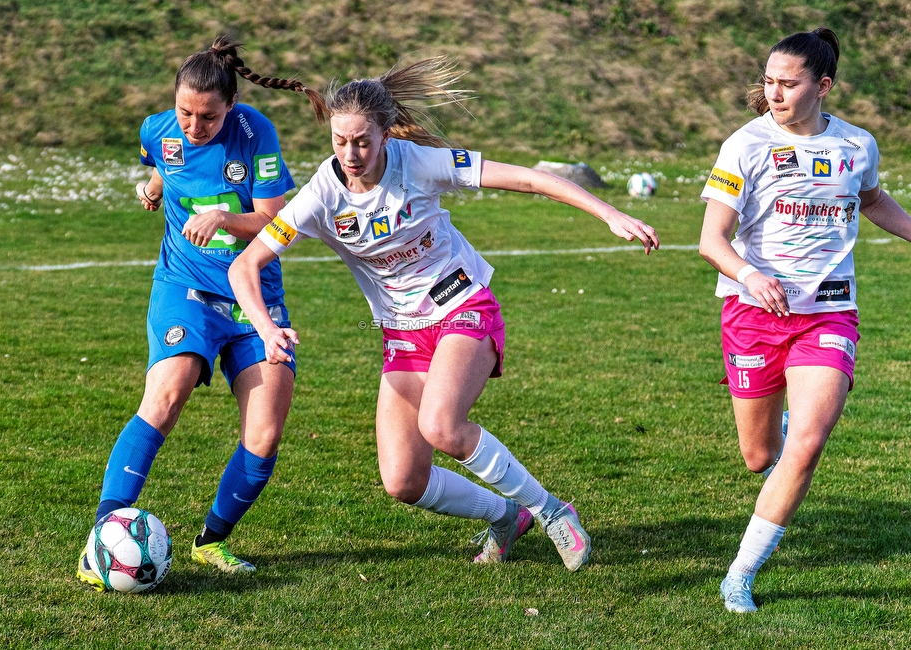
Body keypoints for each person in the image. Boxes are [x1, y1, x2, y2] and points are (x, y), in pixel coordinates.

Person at [229, 58, 660, 570]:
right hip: (402, 332)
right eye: (340, 141)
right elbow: (245, 265)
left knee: (441, 426)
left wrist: (610, 213)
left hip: (462, 305)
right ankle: (506, 516)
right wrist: (266, 327)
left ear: (385, 133)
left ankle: (550, 510)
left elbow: (527, 179)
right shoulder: (321, 196)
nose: (350, 154)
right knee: (402, 480)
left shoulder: (419, 163)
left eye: (362, 141)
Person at [77, 35, 327, 591]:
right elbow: (165, 164)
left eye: (208, 116)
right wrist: (152, 189)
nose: (194, 126)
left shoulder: (255, 133)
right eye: (185, 112)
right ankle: (102, 539)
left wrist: (222, 217)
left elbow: (277, 221)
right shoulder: (157, 129)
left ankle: (212, 540)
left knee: (264, 435)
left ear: (231, 106)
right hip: (184, 285)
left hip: (253, 297)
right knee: (167, 394)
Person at [699, 27, 911, 613]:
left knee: (808, 444)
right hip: (753, 315)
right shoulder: (745, 145)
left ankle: (740, 573)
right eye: (769, 81)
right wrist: (750, 276)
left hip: (829, 313)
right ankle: (785, 428)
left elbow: (872, 200)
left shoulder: (857, 145)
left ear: (823, 86)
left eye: (788, 84)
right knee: (759, 456)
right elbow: (712, 240)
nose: (774, 93)